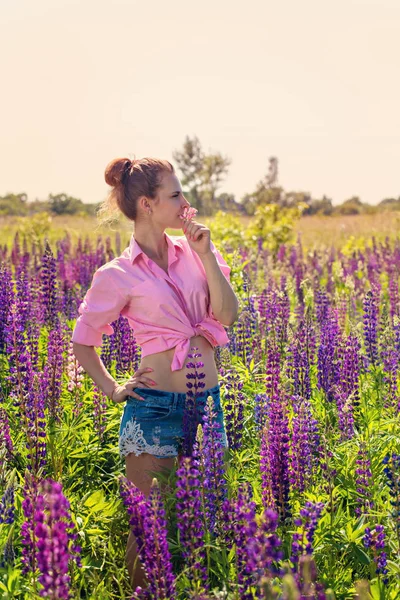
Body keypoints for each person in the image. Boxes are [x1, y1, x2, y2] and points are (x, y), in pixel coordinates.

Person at [71, 156, 239, 591]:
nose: (187, 203)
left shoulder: (198, 250)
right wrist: (111, 387)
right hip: (156, 408)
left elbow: (228, 314)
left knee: (203, 518)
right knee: (148, 528)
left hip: (208, 403)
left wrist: (206, 256)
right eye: (176, 195)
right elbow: (83, 340)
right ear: (147, 204)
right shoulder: (117, 273)